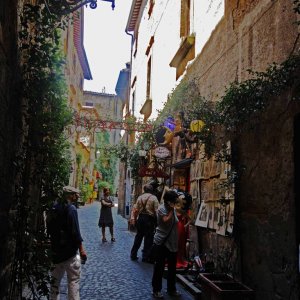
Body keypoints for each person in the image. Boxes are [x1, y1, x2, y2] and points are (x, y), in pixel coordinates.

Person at [47, 185, 87, 300]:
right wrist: (82, 250)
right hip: (70, 254)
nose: (76, 197)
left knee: (54, 284)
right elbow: (76, 232)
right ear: (70, 196)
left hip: (56, 252)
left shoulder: (54, 207)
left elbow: (49, 227)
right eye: (75, 195)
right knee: (73, 282)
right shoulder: (71, 209)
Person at [152, 190, 181, 299]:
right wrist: (172, 209)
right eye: (174, 201)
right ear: (168, 201)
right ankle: (156, 290)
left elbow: (176, 220)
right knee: (159, 267)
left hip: (172, 243)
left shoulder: (172, 209)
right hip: (161, 242)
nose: (175, 203)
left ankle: (171, 289)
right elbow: (165, 220)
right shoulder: (161, 209)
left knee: (172, 268)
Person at [130, 184, 159, 262]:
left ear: (144, 190)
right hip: (149, 220)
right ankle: (145, 257)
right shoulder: (154, 198)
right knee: (148, 239)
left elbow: (135, 209)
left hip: (141, 218)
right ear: (151, 190)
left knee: (138, 237)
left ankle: (133, 254)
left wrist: (134, 220)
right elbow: (157, 211)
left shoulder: (140, 197)